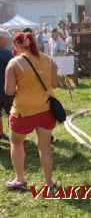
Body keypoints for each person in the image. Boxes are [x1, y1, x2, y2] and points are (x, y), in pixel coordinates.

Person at [4, 32, 58, 189]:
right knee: (45, 147)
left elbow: (8, 91)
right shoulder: (48, 59)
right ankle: (49, 182)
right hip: (45, 109)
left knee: (16, 142)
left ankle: (20, 179)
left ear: (18, 45)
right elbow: (54, 84)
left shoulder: (14, 63)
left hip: (22, 112)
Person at [0, 29, 13, 141]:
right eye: (6, 39)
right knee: (12, 113)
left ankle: (0, 134)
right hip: (4, 88)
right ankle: (15, 136)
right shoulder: (5, 53)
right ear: (1, 38)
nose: (7, 41)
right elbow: (15, 68)